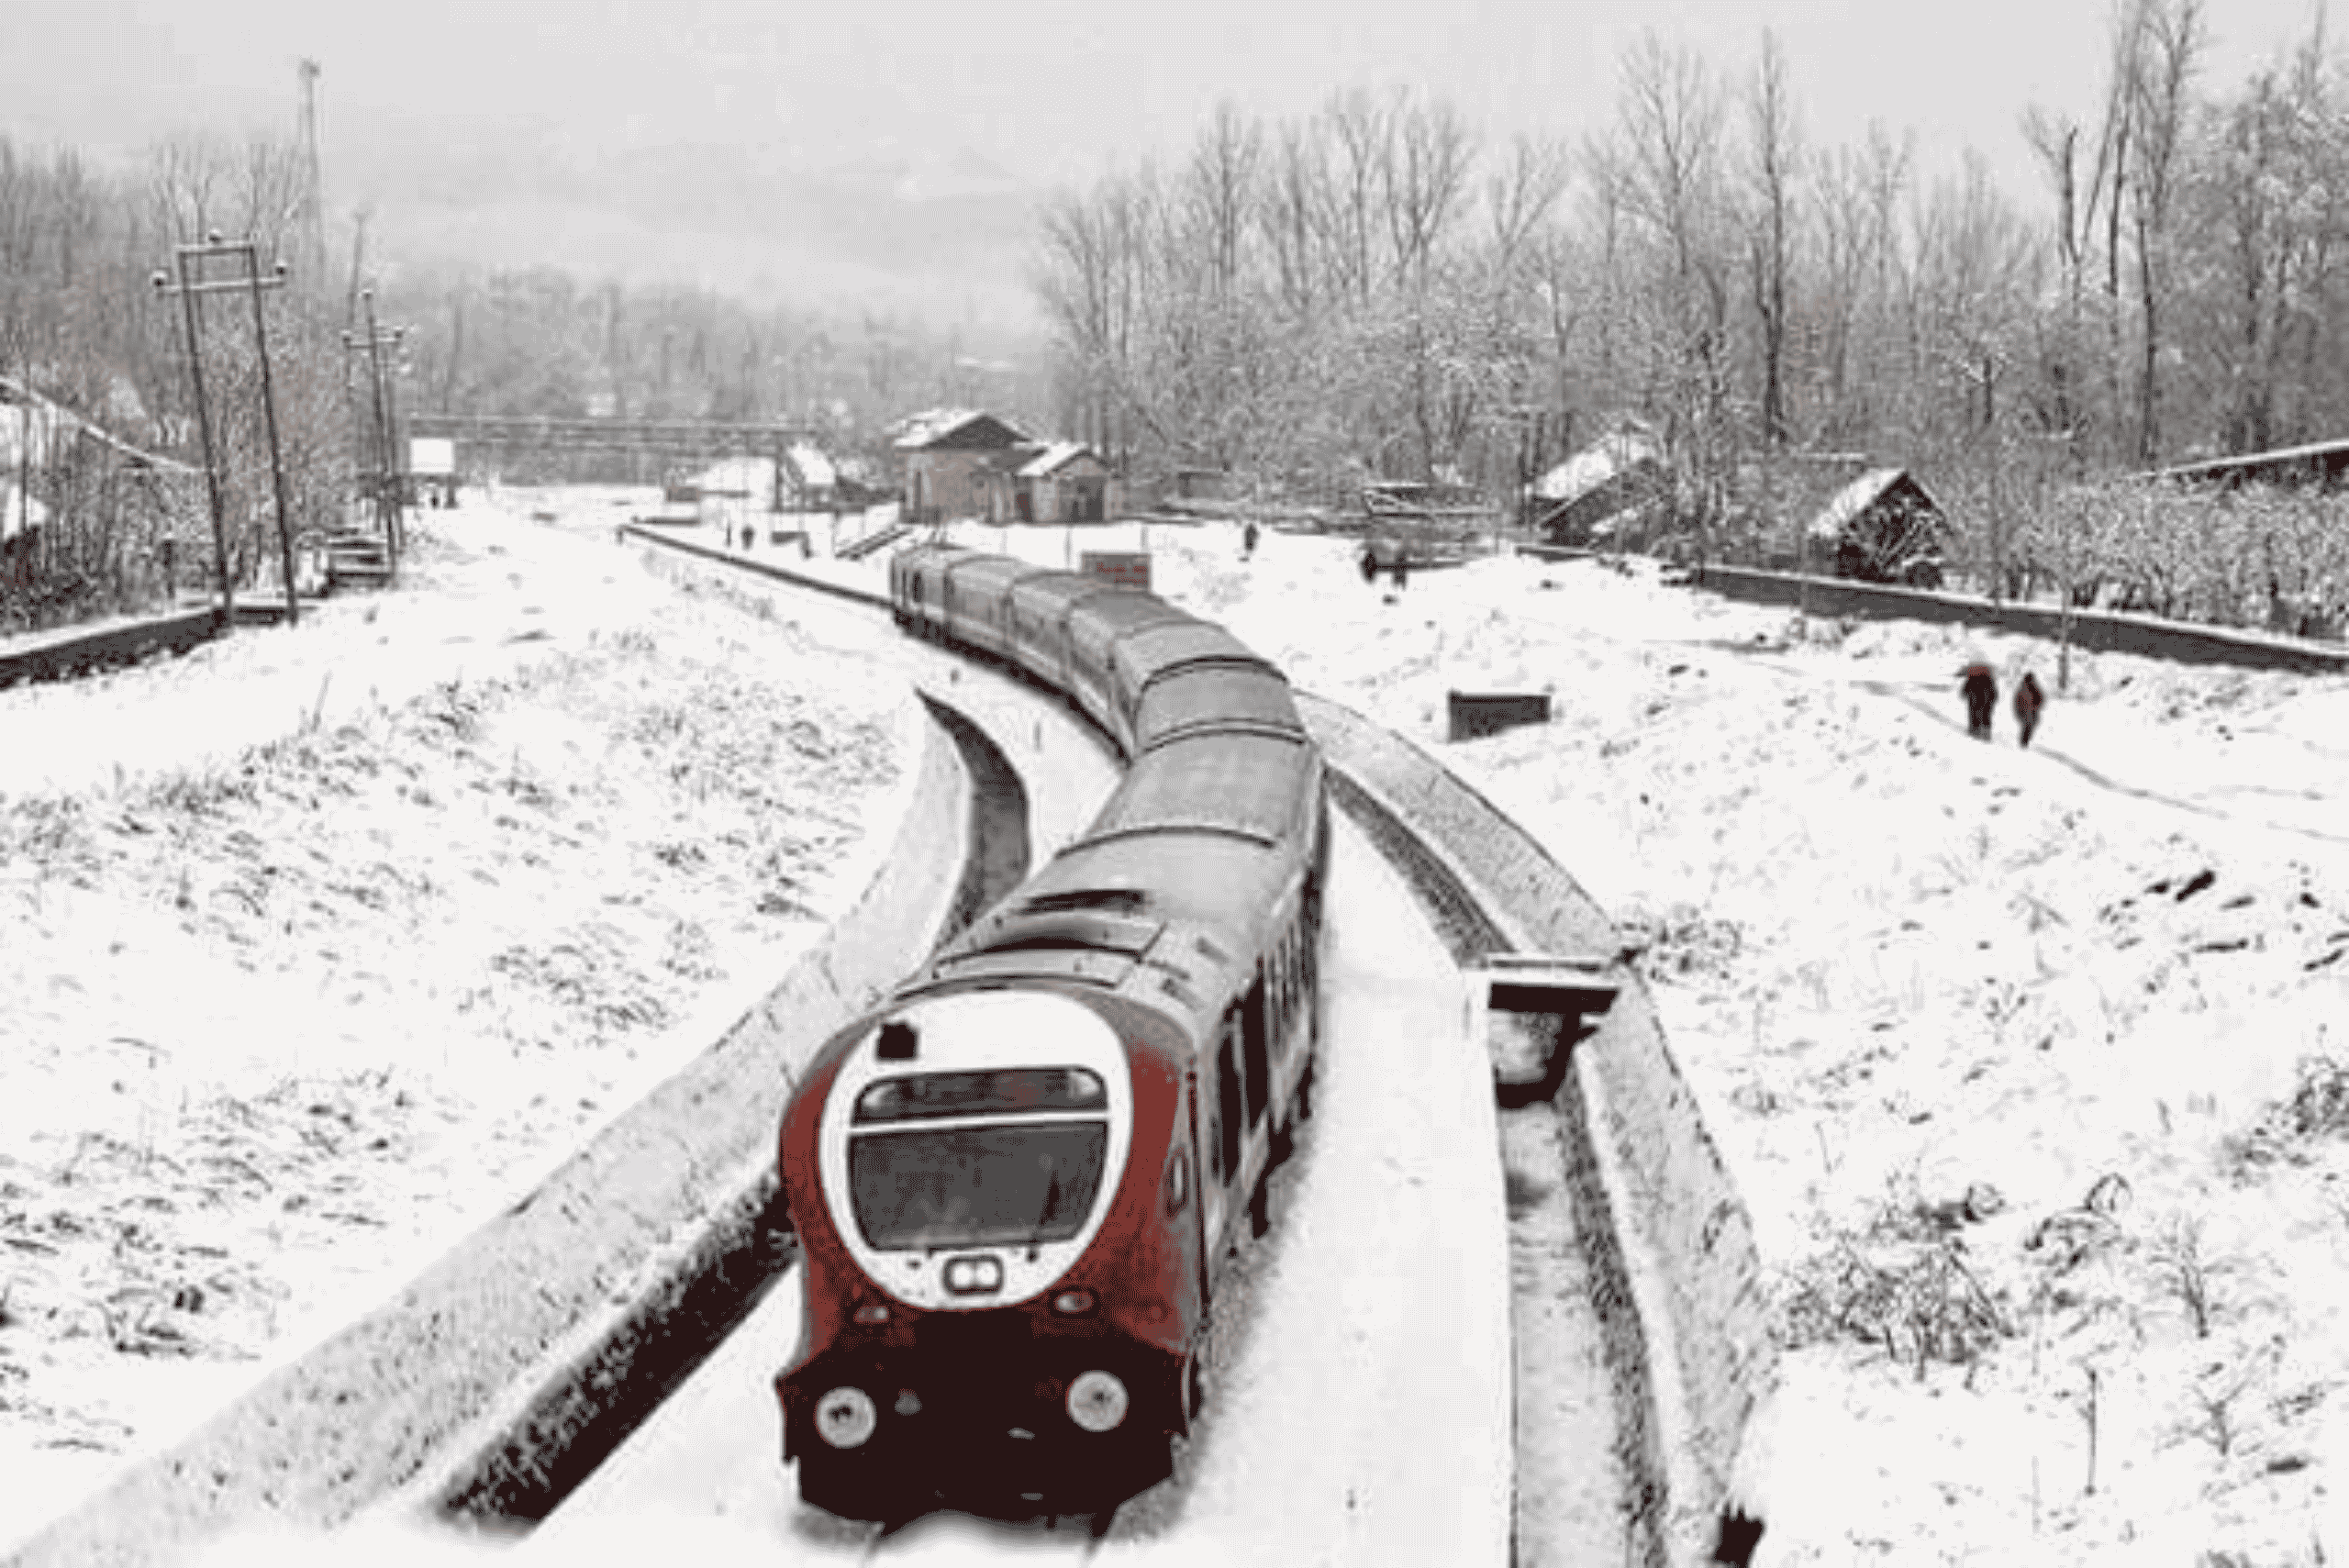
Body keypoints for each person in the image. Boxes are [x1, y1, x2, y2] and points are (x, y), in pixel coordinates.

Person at [1960, 662, 1998, 740]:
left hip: (1974, 700)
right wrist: (1993, 700)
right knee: (1986, 715)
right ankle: (1986, 734)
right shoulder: (1989, 679)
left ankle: (1975, 731)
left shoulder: (1972, 678)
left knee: (1974, 714)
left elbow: (1966, 689)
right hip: (1988, 700)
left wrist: (1964, 694)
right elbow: (1994, 692)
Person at [2013, 670, 2046, 748]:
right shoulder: (2023, 689)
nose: (2031, 680)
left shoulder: (2035, 687)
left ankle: (2025, 741)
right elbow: (2017, 702)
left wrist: (2037, 706)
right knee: (2027, 725)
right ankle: (2024, 743)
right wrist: (2020, 712)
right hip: (2025, 711)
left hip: (2033, 710)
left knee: (2030, 726)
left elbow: (2041, 697)